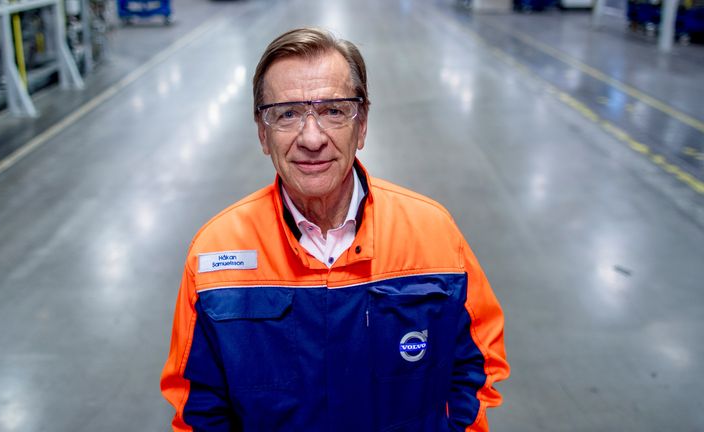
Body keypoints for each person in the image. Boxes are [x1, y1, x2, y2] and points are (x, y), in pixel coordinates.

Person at [160, 27, 509, 431]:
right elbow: (198, 406)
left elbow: (477, 366)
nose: (312, 138)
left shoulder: (433, 233)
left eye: (333, 110)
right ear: (262, 132)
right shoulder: (215, 252)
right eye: (287, 113)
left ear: (361, 125)